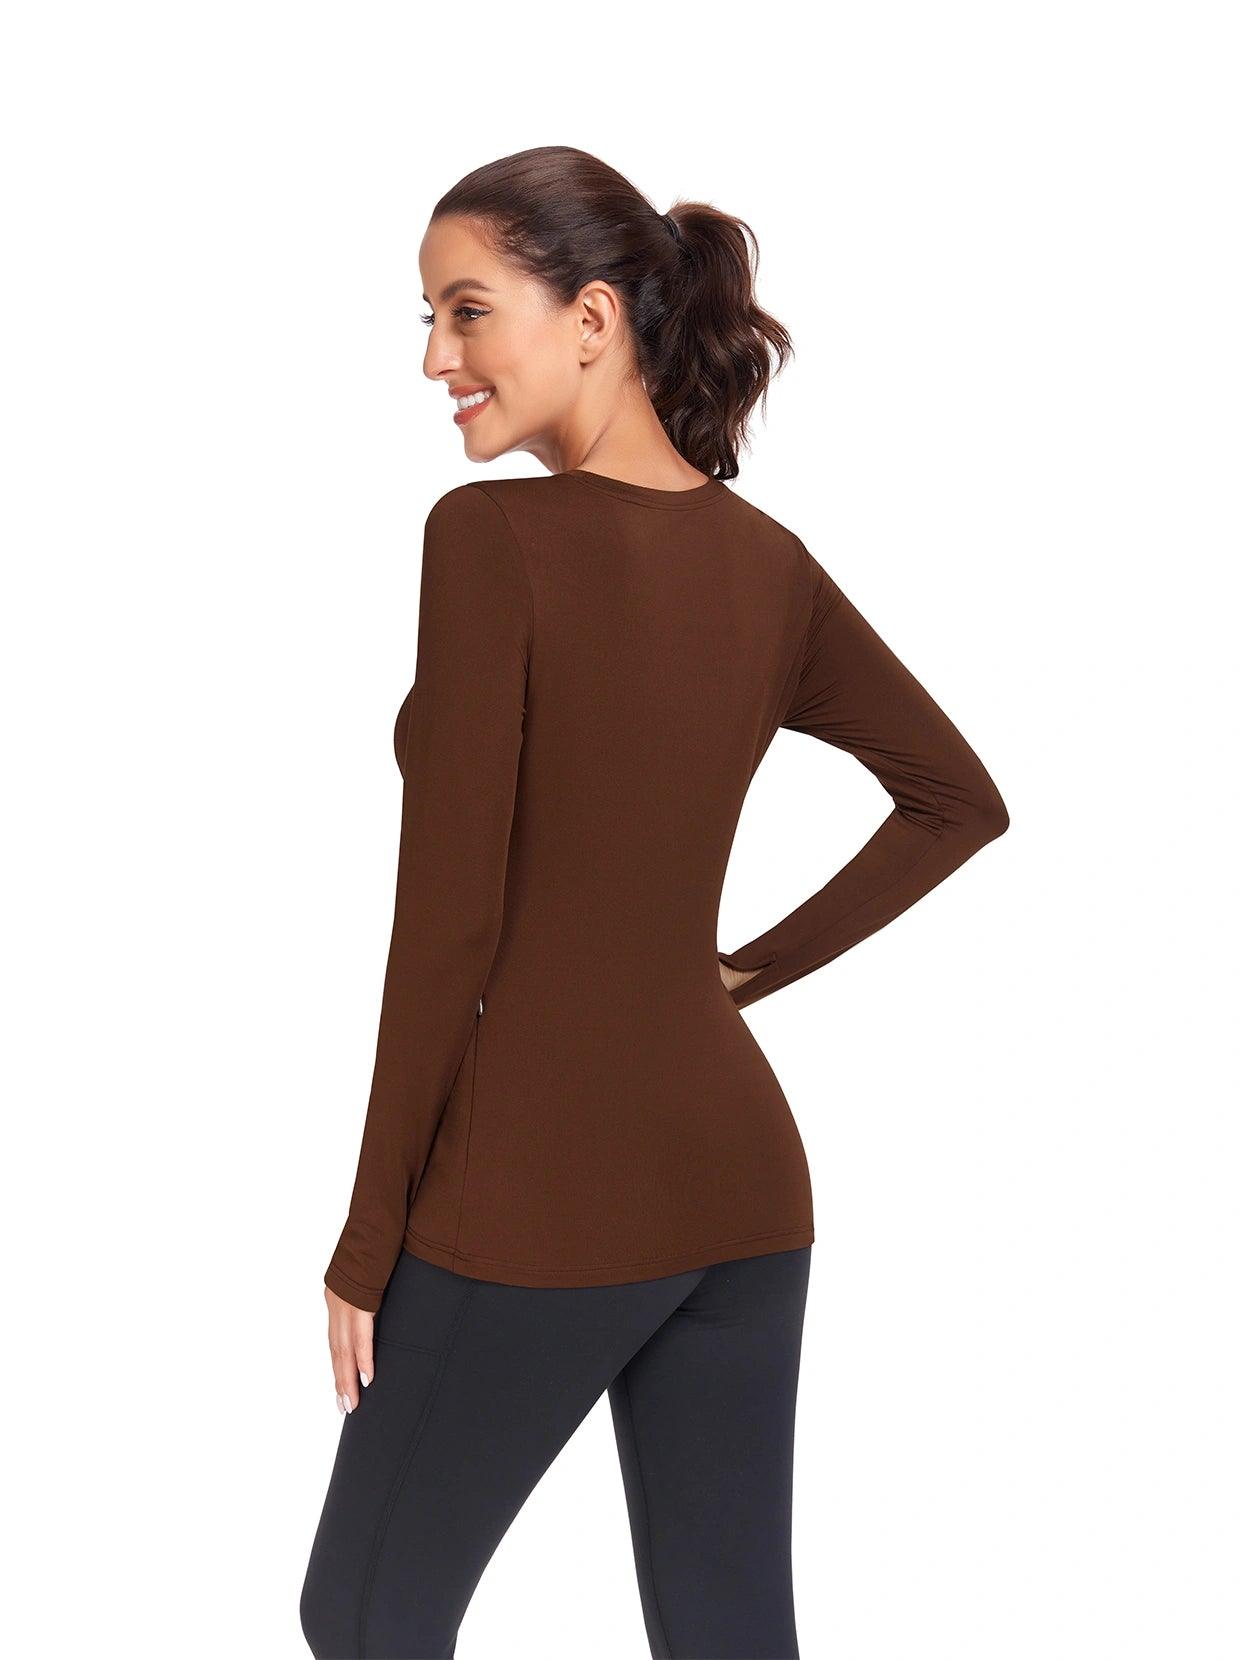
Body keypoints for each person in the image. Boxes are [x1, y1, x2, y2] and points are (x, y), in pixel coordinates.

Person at [299, 144, 1009, 1660]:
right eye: (427, 319)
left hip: (535, 1188)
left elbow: (448, 928)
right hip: (741, 1192)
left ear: (591, 317)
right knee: (727, 1633)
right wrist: (735, 975)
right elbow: (957, 800)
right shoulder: (768, 567)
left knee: (361, 1617)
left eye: (467, 311)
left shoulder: (489, 540)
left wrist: (367, 1238)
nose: (435, 359)